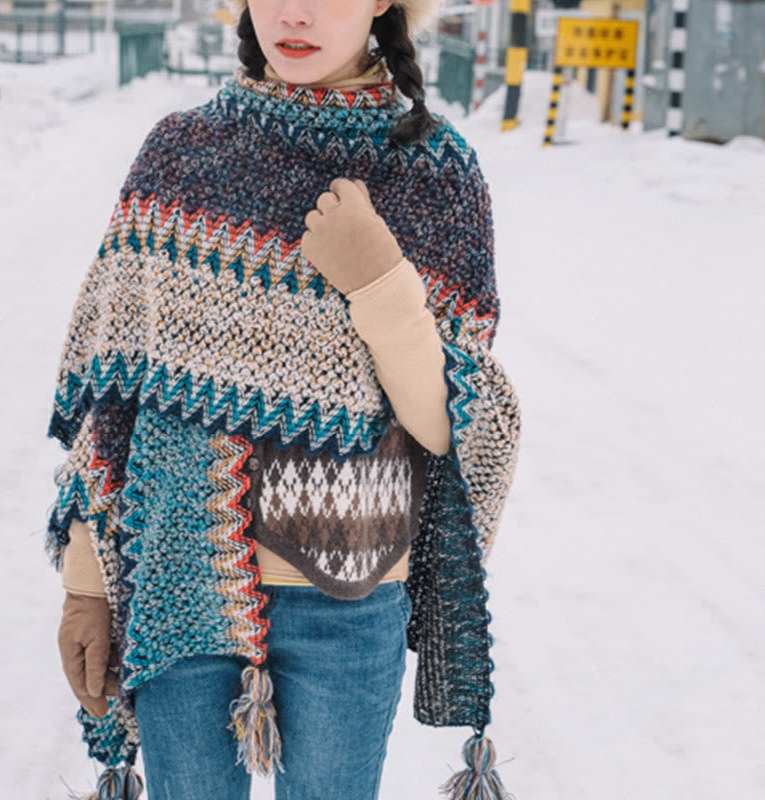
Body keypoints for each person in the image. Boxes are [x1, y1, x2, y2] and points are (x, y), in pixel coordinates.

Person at [47, 1, 522, 799]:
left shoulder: (435, 171)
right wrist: (86, 586)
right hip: (175, 568)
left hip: (351, 591)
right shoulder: (179, 157)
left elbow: (455, 427)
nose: (296, 12)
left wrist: (380, 281)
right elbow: (117, 401)